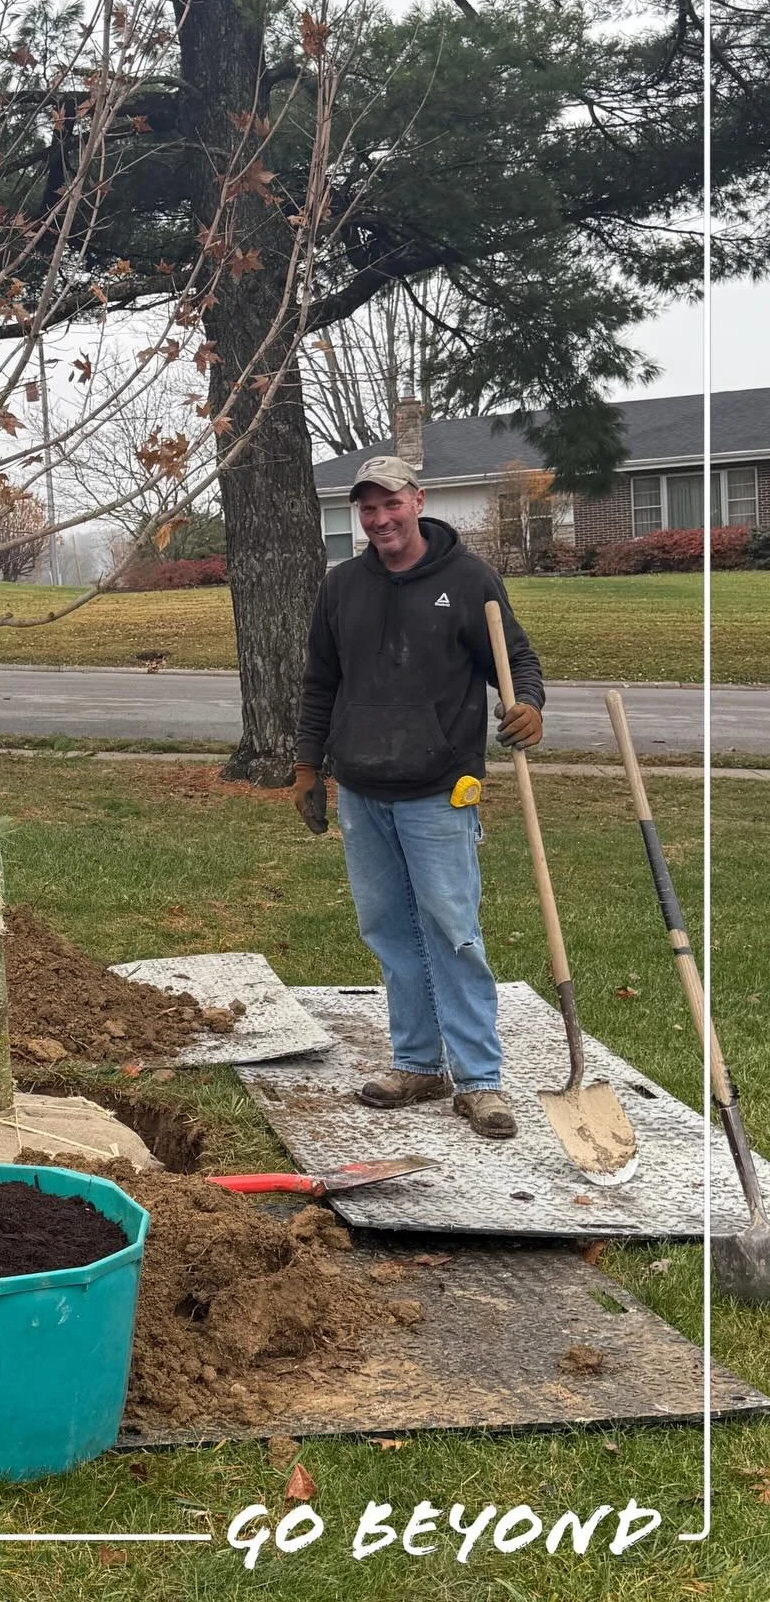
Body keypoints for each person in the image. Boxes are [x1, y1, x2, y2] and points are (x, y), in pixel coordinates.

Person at [290, 456, 546, 1141]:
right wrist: (307, 765)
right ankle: (417, 1063)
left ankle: (480, 1078)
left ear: (417, 500)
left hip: (440, 787)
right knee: (390, 930)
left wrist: (529, 706)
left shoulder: (467, 580)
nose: (379, 520)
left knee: (451, 930)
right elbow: (320, 682)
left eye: (390, 505)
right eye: (367, 510)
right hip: (363, 790)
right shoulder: (342, 586)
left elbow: (514, 659)